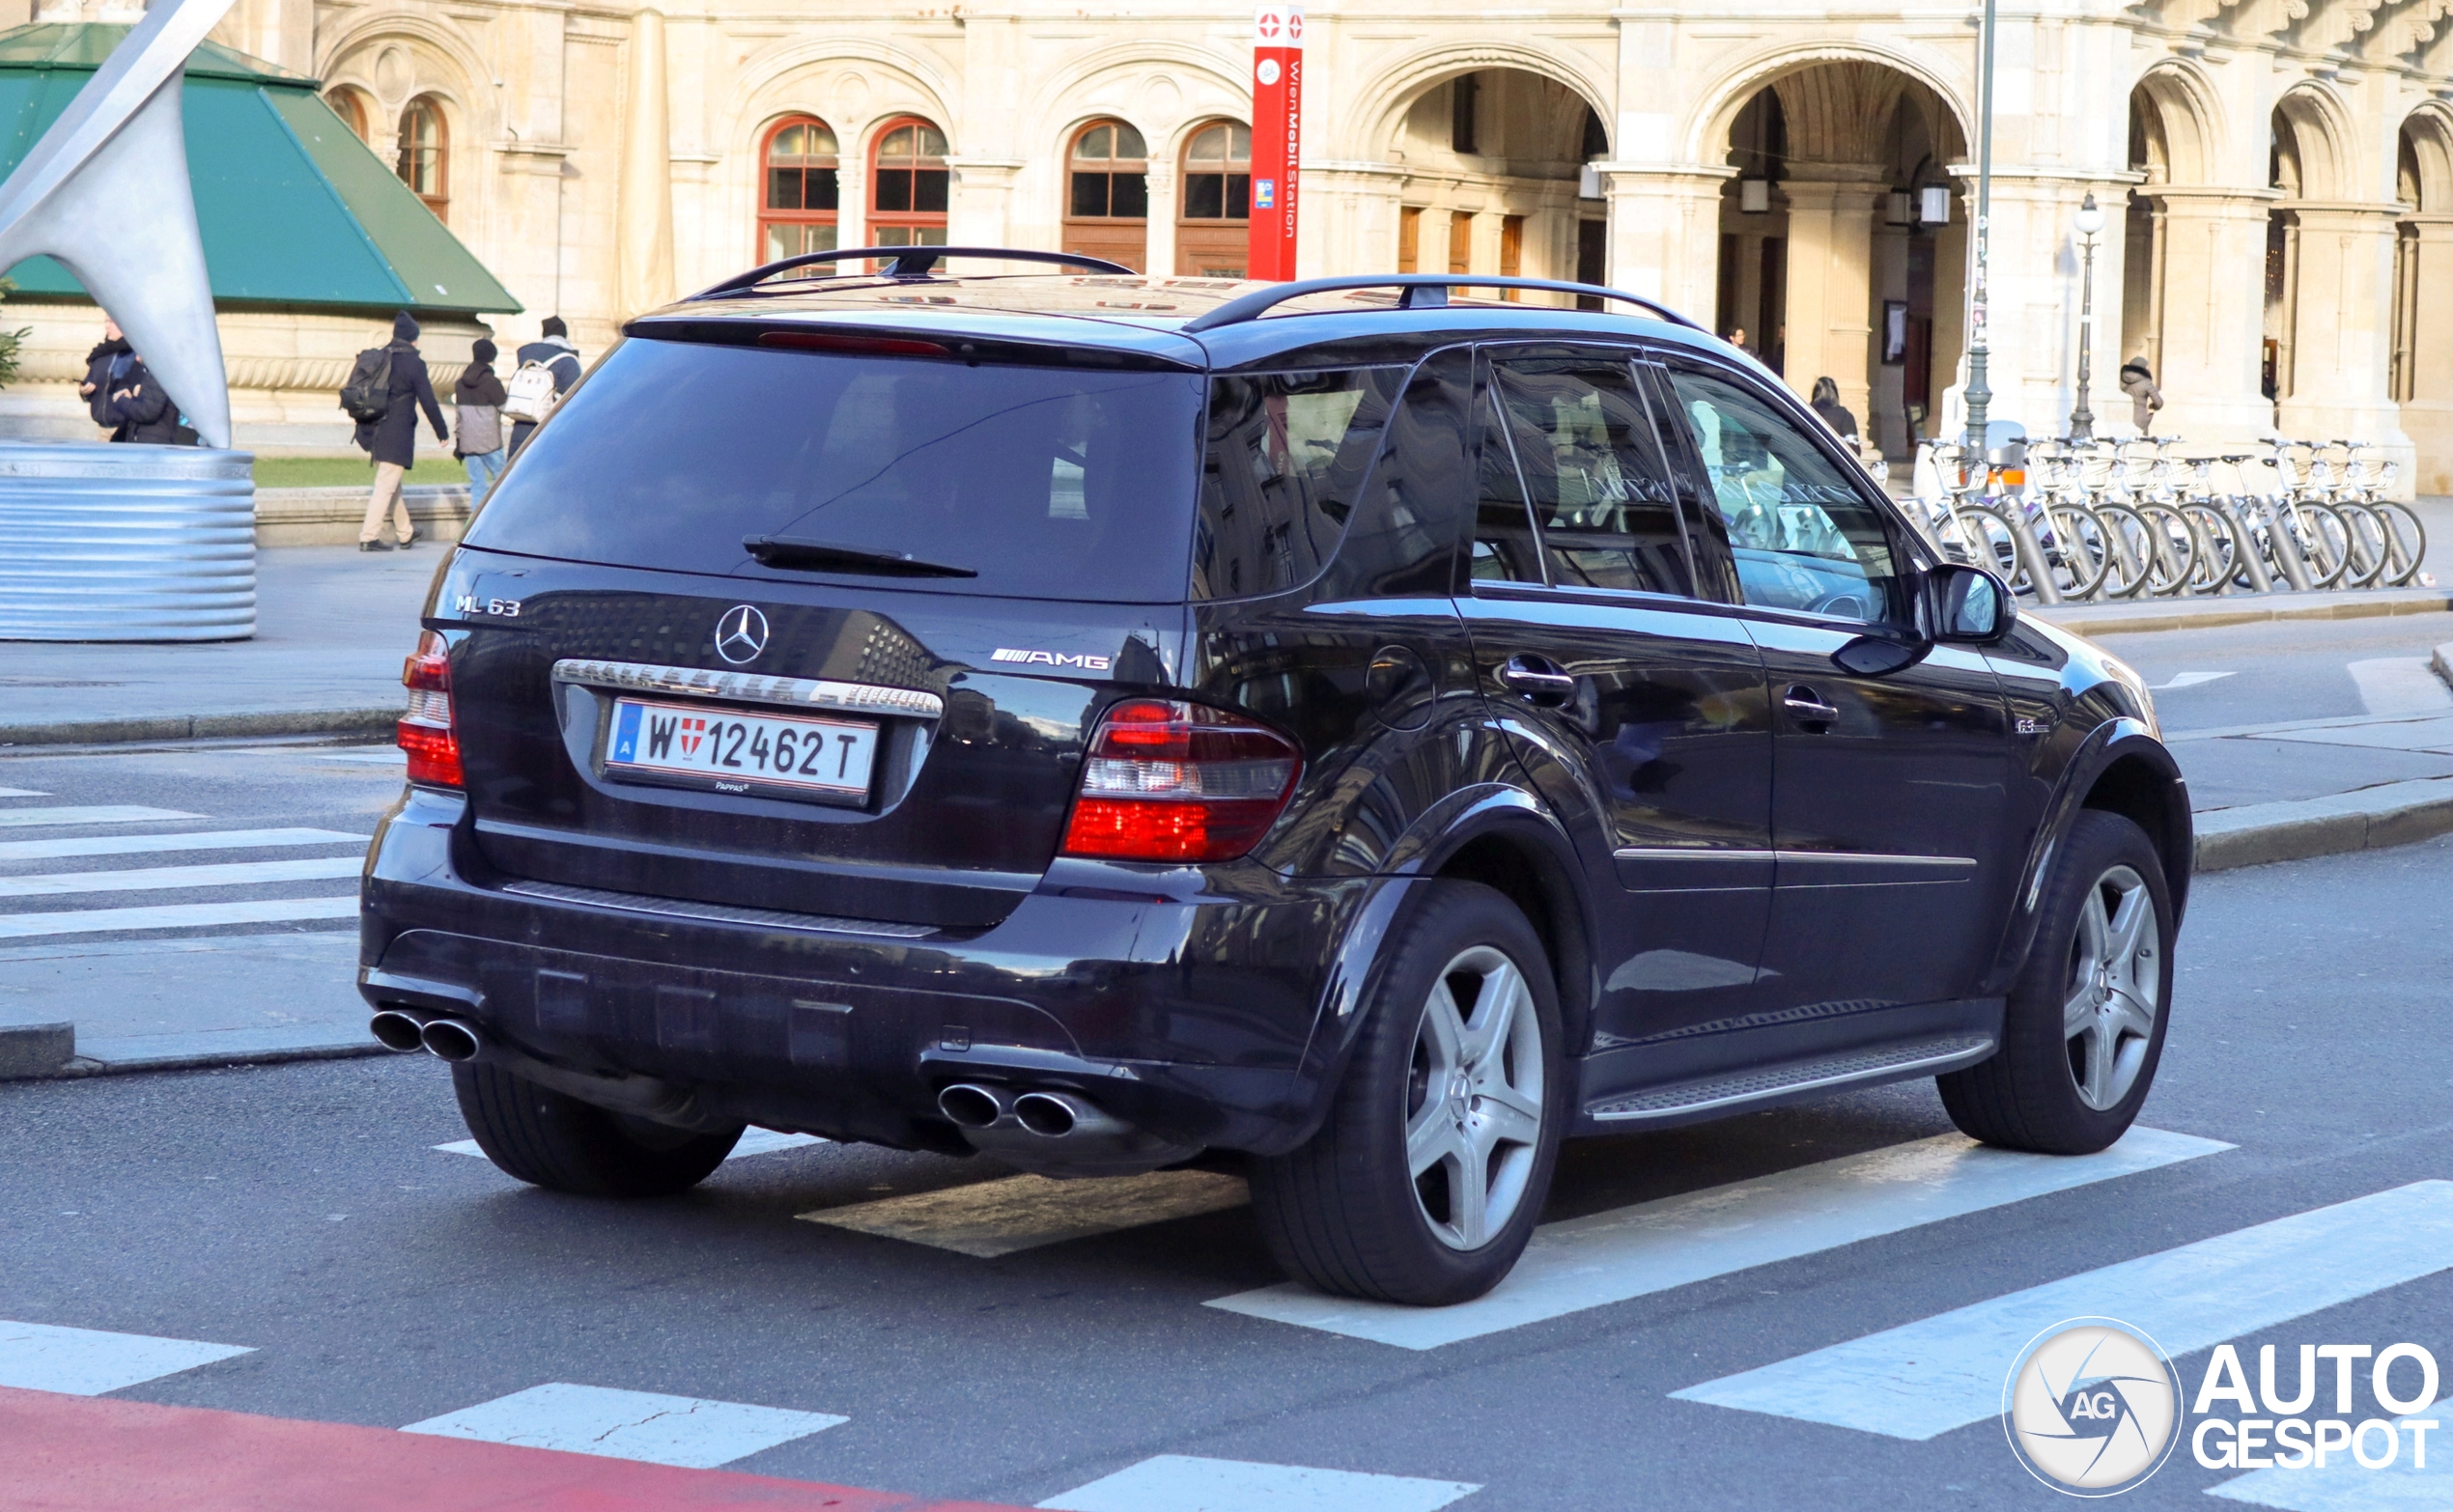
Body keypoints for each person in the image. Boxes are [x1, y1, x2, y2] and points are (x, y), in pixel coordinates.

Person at [355, 311, 449, 553]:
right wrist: (442, 432)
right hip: (397, 433)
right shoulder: (414, 363)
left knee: (391, 483)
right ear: (412, 339)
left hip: (375, 429)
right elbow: (428, 400)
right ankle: (369, 536)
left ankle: (406, 533)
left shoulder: (382, 357)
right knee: (386, 485)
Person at [508, 315, 581, 457]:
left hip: (521, 425)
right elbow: (574, 400)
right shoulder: (568, 361)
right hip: (549, 429)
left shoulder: (527, 358)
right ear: (564, 335)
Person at [454, 337, 508, 509]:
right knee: (503, 479)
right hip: (489, 441)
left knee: (477, 483)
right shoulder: (492, 383)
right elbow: (505, 407)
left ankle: (473, 522)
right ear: (491, 357)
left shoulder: (460, 383)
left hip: (468, 441)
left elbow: (459, 416)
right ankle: (500, 514)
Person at [80, 319, 133, 436]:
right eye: (105, 321)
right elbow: (90, 380)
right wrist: (85, 391)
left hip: (125, 430)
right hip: (103, 428)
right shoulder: (101, 353)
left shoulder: (135, 355)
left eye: (111, 321)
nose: (107, 326)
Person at [2121, 357, 2163, 435]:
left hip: (2122, 414)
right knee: (2140, 442)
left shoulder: (2121, 378)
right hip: (2139, 415)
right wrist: (2151, 407)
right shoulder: (2146, 382)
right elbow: (2159, 403)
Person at [1809, 376, 1859, 442]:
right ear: (1835, 393)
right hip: (1832, 452)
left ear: (1815, 393)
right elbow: (1853, 446)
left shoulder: (1807, 412)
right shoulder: (1844, 415)